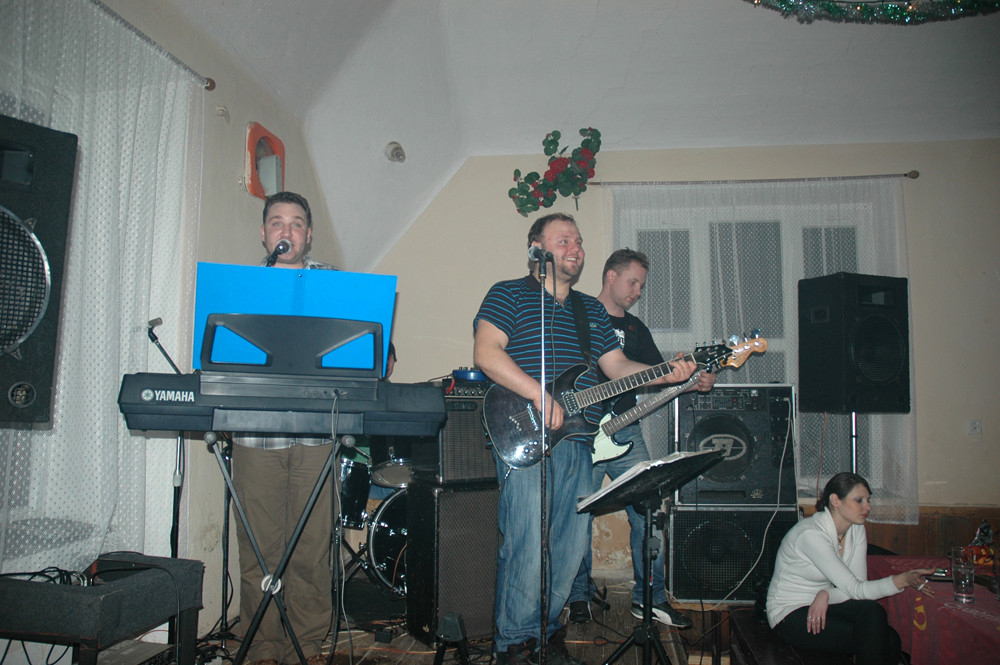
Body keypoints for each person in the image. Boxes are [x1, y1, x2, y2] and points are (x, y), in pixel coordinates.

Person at [473, 213, 698, 665]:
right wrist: (539, 395)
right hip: (525, 434)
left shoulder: (590, 310)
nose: (575, 248)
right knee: (525, 542)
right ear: (536, 248)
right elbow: (486, 353)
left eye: (578, 240)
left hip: (579, 440)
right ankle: (514, 645)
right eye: (563, 240)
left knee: (568, 547)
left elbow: (616, 369)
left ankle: (546, 633)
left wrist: (666, 374)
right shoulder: (508, 293)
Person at [567, 249, 714, 630]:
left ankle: (651, 598)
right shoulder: (577, 314)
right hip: (576, 431)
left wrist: (693, 379)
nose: (637, 291)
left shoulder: (636, 330)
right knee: (574, 516)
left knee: (651, 511)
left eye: (642, 286)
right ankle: (577, 596)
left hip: (625, 431)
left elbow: (659, 376)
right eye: (632, 282)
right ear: (610, 276)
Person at [232, 191, 339, 665]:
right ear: (264, 233)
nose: (286, 230)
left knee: (312, 545)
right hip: (255, 433)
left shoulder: (332, 283)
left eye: (297, 223)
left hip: (316, 432)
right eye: (277, 222)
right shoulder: (241, 286)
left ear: (308, 235)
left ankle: (306, 644)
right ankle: (262, 645)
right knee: (260, 546)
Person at [766, 472, 933, 665]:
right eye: (859, 500)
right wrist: (903, 580)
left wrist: (826, 594)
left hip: (824, 604)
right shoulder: (811, 535)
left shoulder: (856, 529)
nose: (867, 507)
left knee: (886, 632)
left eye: (868, 500)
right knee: (883, 637)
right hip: (788, 613)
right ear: (835, 500)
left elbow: (858, 587)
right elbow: (856, 589)